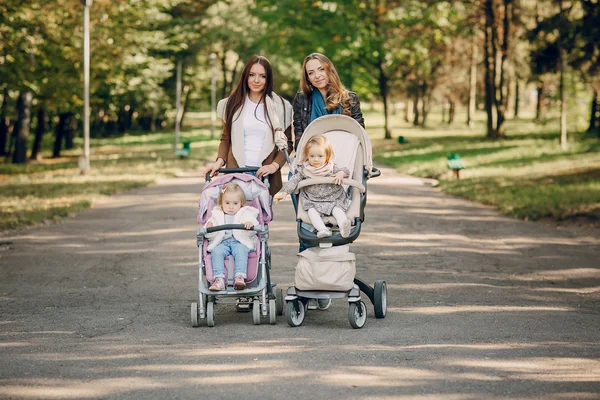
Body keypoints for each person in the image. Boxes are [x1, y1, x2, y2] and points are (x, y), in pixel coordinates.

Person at [204, 55, 293, 196]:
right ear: (245, 76)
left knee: (257, 217)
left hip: (264, 174)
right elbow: (226, 139)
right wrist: (219, 162)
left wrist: (274, 166)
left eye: (262, 76)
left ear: (268, 79)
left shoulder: (281, 107)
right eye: (252, 75)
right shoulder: (231, 104)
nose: (256, 80)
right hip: (236, 172)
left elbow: (287, 143)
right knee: (234, 215)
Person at [274, 135, 351, 238]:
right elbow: (294, 180)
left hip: (333, 199)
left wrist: (341, 173)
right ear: (307, 156)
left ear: (327, 156)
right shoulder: (304, 170)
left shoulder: (331, 167)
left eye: (320, 156)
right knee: (311, 212)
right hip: (313, 201)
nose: (315, 160)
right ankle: (323, 230)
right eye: (312, 156)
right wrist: (285, 192)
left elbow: (346, 170)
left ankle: (343, 226)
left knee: (338, 211)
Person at [292, 53, 365, 150]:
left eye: (321, 69)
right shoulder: (302, 99)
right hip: (314, 159)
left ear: (330, 70)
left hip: (346, 155)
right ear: (308, 78)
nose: (317, 76)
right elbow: (299, 141)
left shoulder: (350, 98)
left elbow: (360, 136)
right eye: (311, 73)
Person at [204, 183, 259, 291]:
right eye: (227, 203)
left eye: (235, 203)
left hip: (240, 242)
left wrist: (249, 224)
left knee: (240, 251)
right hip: (222, 242)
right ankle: (219, 280)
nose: (231, 206)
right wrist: (209, 226)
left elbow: (254, 226)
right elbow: (208, 231)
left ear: (241, 204)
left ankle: (240, 277)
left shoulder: (245, 213)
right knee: (216, 251)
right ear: (221, 203)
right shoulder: (217, 214)